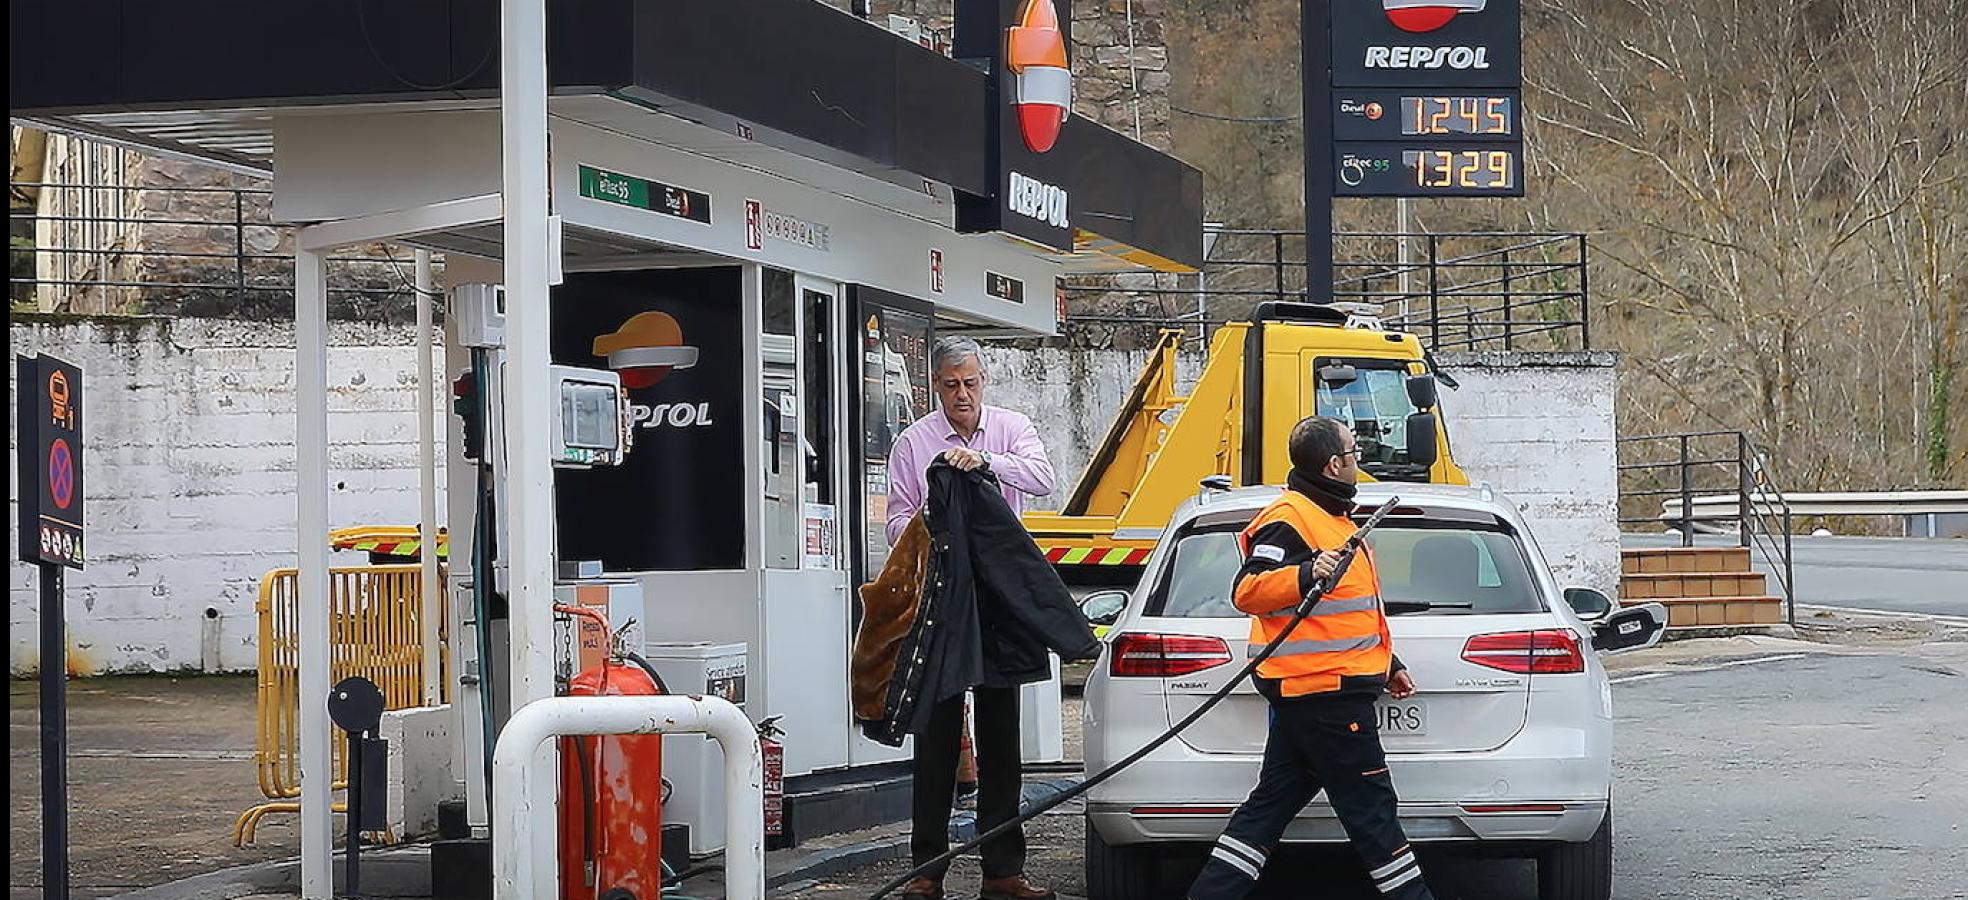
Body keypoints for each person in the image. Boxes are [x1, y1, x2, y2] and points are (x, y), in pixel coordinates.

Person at [1187, 416, 1433, 900]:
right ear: (1334, 463)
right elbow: (1248, 589)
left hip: (1317, 691)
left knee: (1270, 807)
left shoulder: (1334, 518)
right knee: (1372, 813)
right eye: (1353, 454)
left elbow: (1346, 614)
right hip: (1324, 695)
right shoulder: (1290, 518)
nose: (1358, 463)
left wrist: (1390, 664)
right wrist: (1302, 573)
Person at [884, 337, 1059, 900]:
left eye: (971, 383)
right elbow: (894, 522)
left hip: (999, 595)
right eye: (951, 385)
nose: (962, 394)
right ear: (936, 386)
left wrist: (986, 462)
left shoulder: (1011, 428)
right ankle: (925, 873)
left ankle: (1003, 872)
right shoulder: (915, 442)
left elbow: (1042, 478)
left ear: (983, 381)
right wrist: (931, 526)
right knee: (935, 732)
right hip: (939, 594)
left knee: (1001, 735)